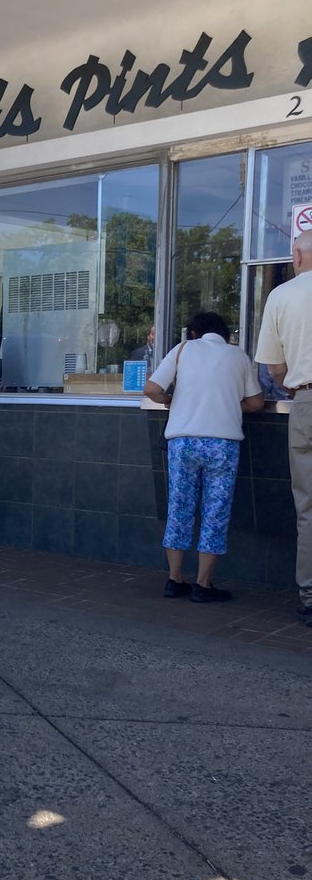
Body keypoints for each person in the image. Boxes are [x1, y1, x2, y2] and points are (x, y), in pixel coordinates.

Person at [145, 311, 263, 604]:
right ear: (225, 334)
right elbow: (256, 402)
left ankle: (174, 580)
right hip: (222, 444)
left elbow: (151, 389)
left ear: (194, 333)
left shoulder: (183, 349)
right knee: (215, 512)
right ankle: (203, 584)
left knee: (179, 508)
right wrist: (229, 405)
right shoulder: (239, 356)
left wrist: (172, 400)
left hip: (182, 443)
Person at [254, 228, 312, 624]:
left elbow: (274, 368)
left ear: (296, 255)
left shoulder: (281, 296)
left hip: (305, 402)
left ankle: (309, 595)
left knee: (308, 506)